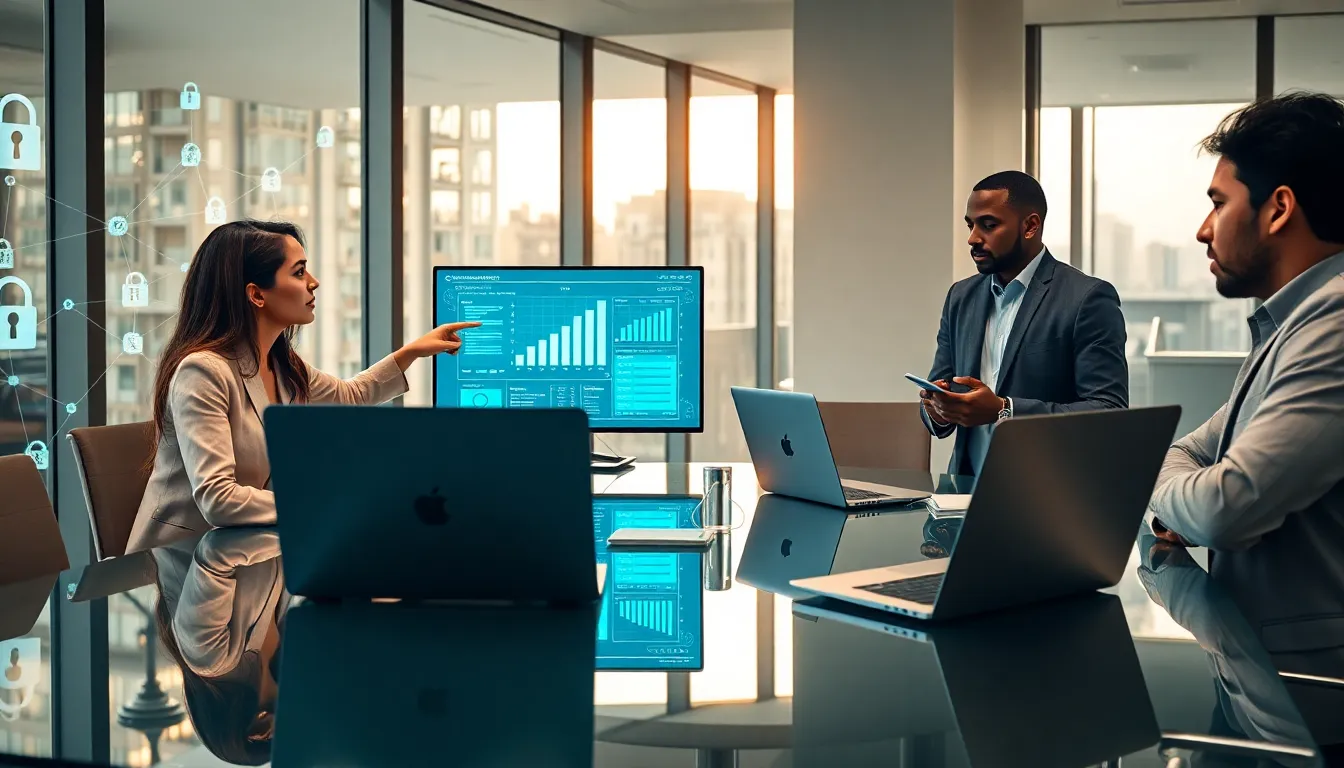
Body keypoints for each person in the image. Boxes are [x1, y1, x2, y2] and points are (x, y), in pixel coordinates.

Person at [1147, 94, 1344, 709]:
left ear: (1278, 208)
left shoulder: (1334, 323)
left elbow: (1222, 511)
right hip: (1263, 677)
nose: (1203, 230)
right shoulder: (1291, 324)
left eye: (1217, 203)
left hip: (1311, 702)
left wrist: (1159, 485)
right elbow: (1187, 453)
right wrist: (1182, 483)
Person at [125, 220, 479, 552]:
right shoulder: (202, 371)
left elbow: (351, 396)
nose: (314, 282)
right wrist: (326, 500)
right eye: (298, 272)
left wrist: (415, 350)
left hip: (245, 551)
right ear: (256, 295)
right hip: (184, 564)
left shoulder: (280, 364)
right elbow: (218, 499)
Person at [920, 171, 1128, 477]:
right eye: (971, 225)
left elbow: (1109, 412)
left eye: (989, 225)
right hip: (963, 497)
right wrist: (938, 410)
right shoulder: (960, 297)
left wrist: (1005, 409)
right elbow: (939, 393)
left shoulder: (1087, 298)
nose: (973, 238)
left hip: (1048, 495)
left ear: (1030, 226)